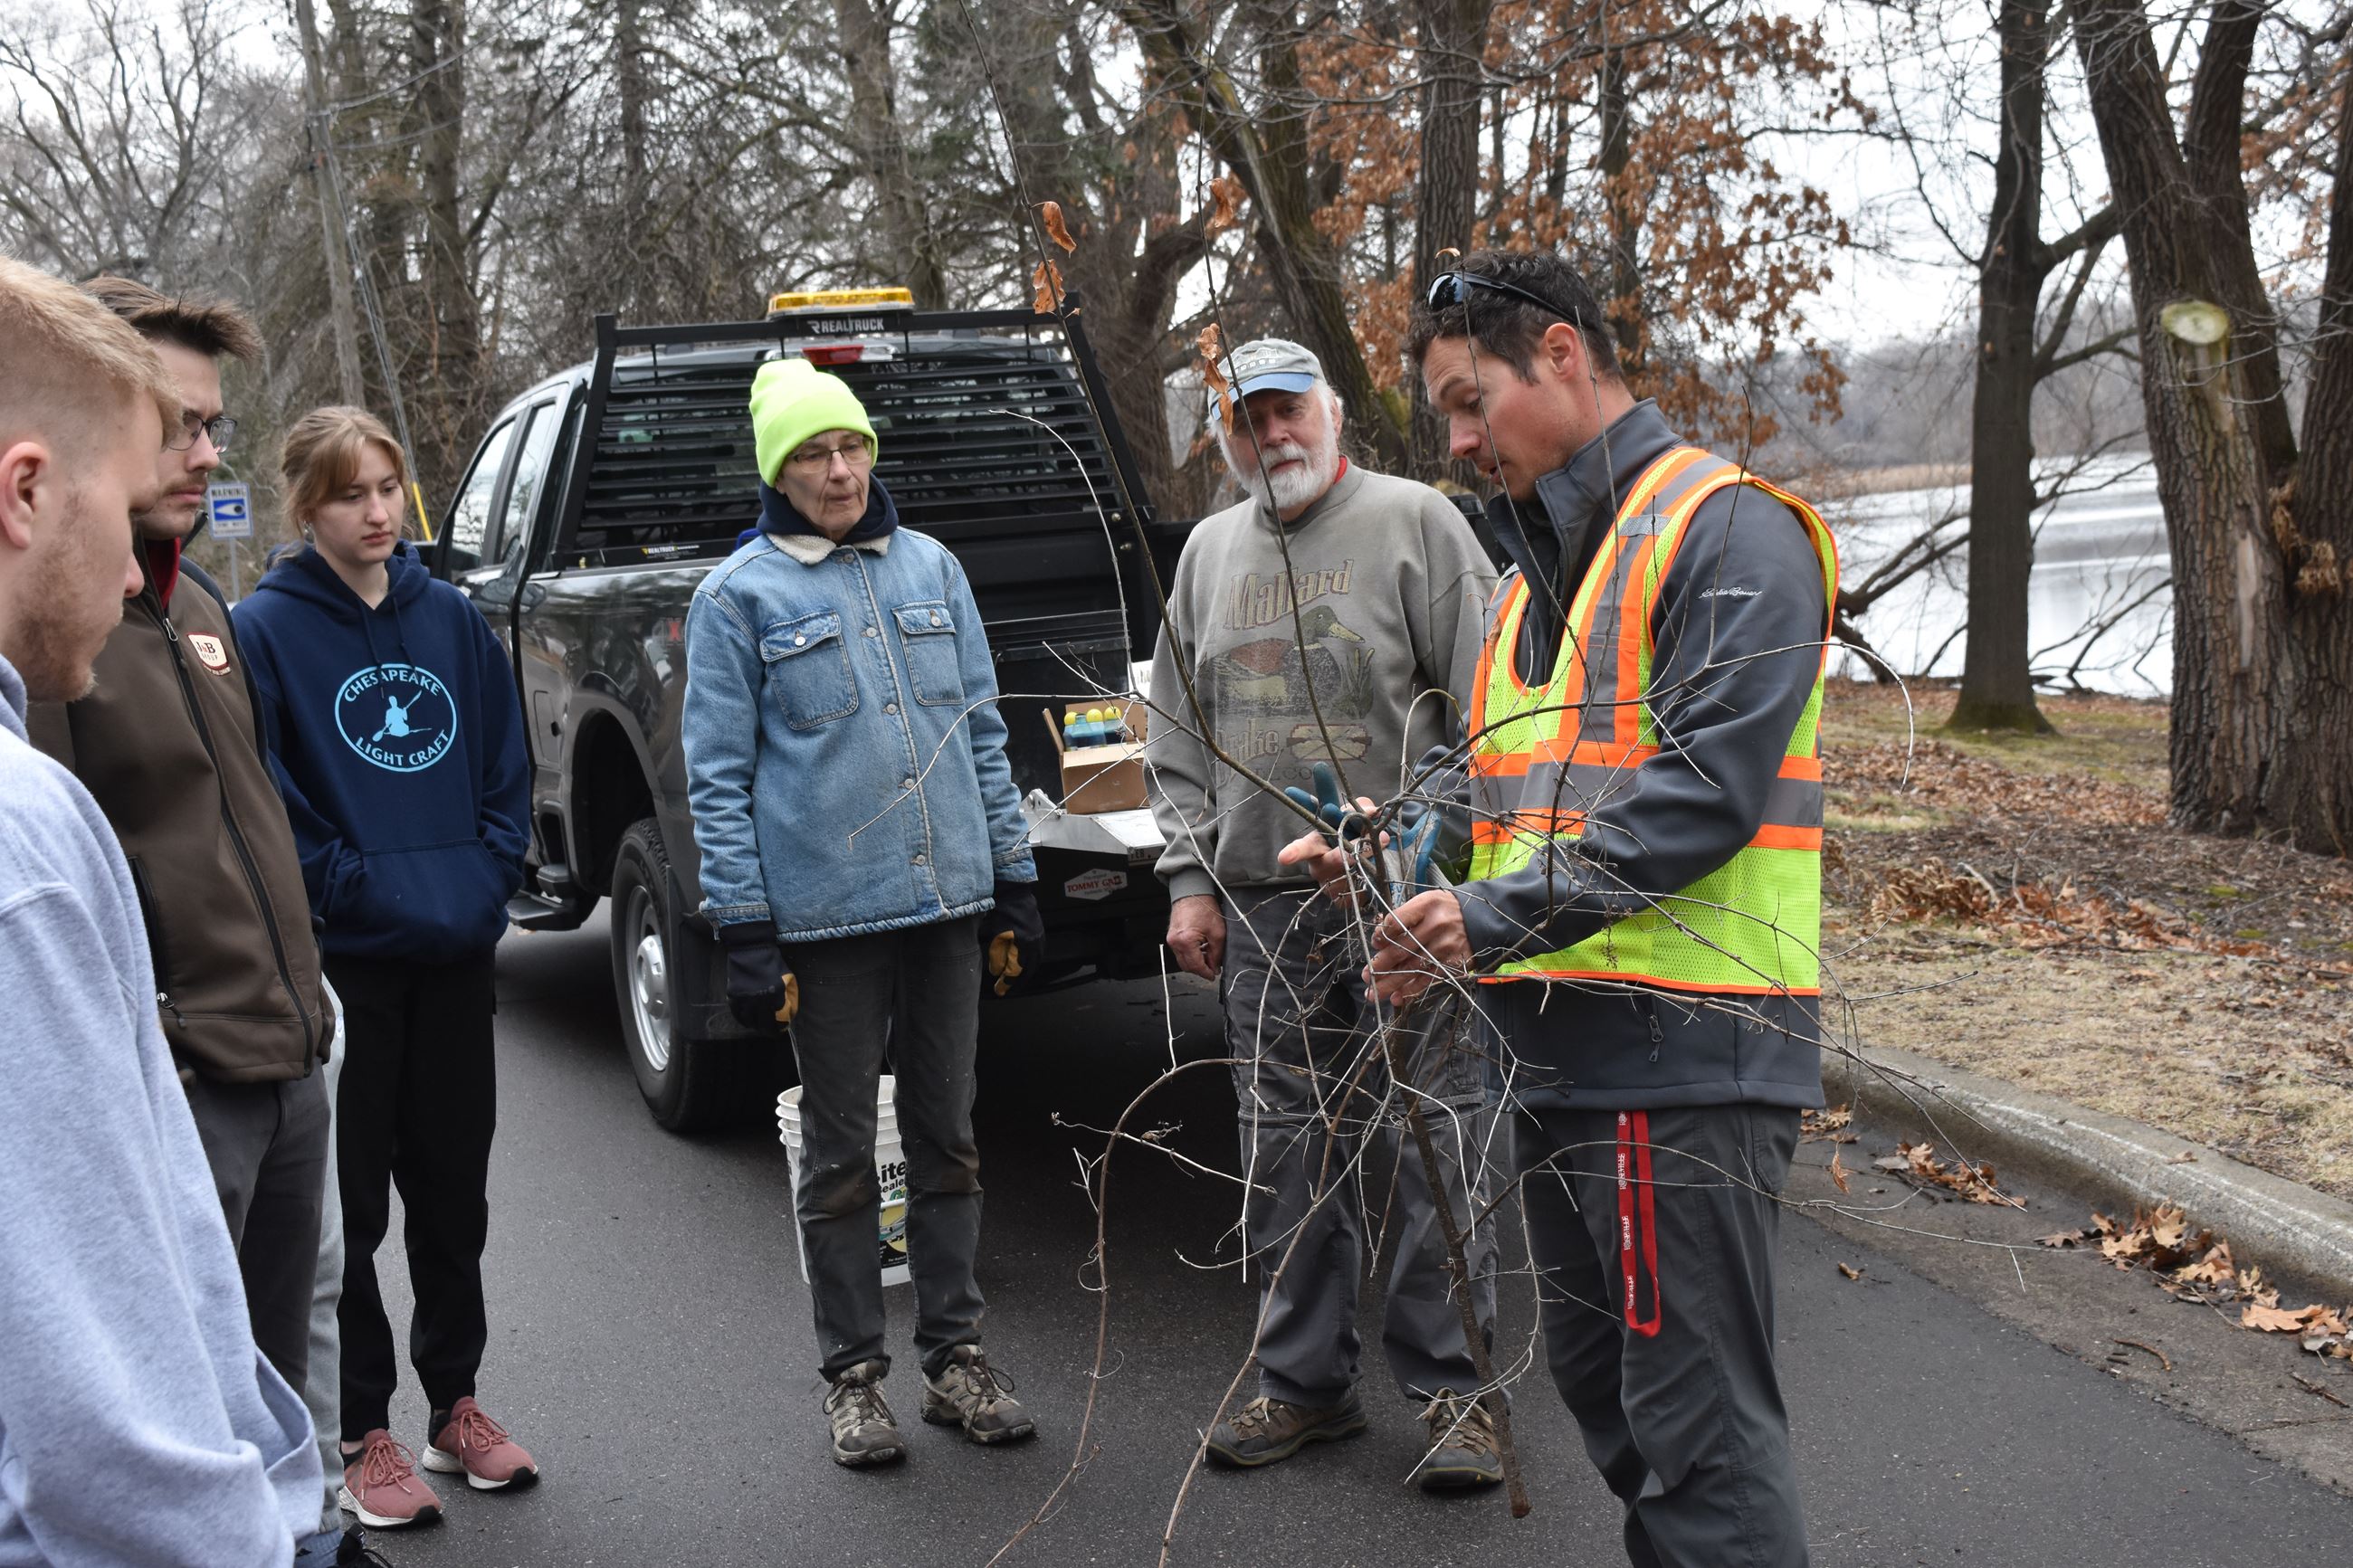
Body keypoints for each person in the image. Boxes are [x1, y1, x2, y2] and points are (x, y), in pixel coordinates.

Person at [1285, 249, 1836, 1565]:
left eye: (1470, 402)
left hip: (1682, 1054)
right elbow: (1499, 792)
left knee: (1698, 1439)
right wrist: (1396, 850)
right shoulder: (1532, 581)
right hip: (1555, 1059)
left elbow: (1703, 789)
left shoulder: (1727, 529)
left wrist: (1490, 918)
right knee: (1618, 1411)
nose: (1459, 441)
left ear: (1563, 357)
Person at [25, 280, 374, 1564]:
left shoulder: (201, 609)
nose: (207, 451)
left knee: (299, 1341)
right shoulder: (53, 628)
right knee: (189, 1380)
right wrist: (160, 1047)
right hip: (185, 1082)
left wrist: (308, 994)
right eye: (179, 424)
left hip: (289, 1052)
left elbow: (247, 816)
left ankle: (314, 1531)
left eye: (216, 423)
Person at [1145, 337, 1507, 1487]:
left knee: (1429, 1135)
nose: (1271, 435)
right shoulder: (1206, 552)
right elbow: (1177, 735)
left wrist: (1424, 845)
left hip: (1403, 900)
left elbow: (1492, 720)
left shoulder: (1418, 524)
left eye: (1287, 409)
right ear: (1222, 437)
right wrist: (1189, 878)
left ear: (1332, 411)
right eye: (1244, 419)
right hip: (1262, 905)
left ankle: (1456, 1393)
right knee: (1285, 1145)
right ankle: (1303, 1384)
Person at [681, 357, 1043, 1468]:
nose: (838, 470)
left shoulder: (932, 567)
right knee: (839, 1157)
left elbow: (982, 731)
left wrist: (1013, 879)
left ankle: (955, 1357)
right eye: (812, 454)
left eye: (851, 447)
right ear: (777, 472)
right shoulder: (737, 597)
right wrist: (745, 928)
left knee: (948, 1137)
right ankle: (851, 1375)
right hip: (825, 923)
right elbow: (716, 778)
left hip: (945, 907)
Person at [233, 406, 538, 1527]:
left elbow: (503, 761)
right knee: (349, 1211)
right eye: (348, 493)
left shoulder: (448, 616)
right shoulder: (264, 630)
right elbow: (272, 794)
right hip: (351, 963)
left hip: (455, 953)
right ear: (304, 505)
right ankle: (363, 1429)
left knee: (453, 1195)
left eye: (386, 488)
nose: (375, 513)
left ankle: (454, 1405)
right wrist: (358, 889)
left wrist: (485, 876)